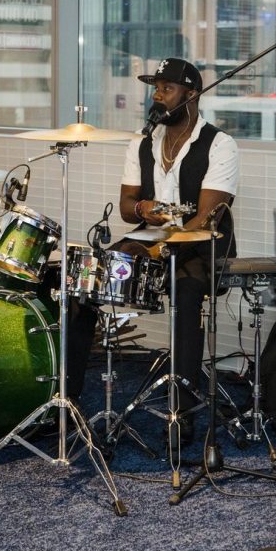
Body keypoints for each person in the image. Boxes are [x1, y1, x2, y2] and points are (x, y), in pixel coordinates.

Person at [68, 58, 239, 445]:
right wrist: (147, 211)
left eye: (166, 88)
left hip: (202, 247)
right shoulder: (141, 143)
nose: (157, 96)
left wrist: (162, 247)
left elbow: (204, 219)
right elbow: (129, 206)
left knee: (187, 292)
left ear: (191, 94)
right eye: (155, 88)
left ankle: (184, 410)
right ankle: (71, 398)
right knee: (87, 281)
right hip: (150, 241)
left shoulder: (220, 144)